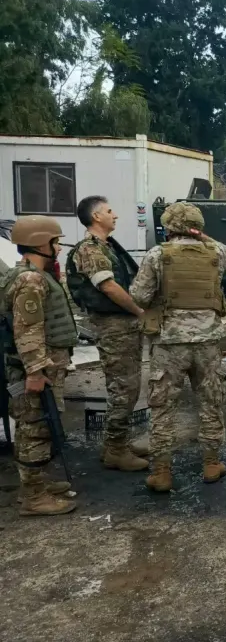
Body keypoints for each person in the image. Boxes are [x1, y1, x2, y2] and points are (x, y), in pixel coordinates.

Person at [130, 202, 226, 492]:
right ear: (199, 227)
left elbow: (139, 296)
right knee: (211, 401)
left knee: (163, 406)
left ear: (168, 228)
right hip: (208, 343)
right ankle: (212, 463)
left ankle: (162, 472)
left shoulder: (157, 254)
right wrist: (203, 238)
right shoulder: (217, 253)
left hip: (169, 344)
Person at [0, 216, 78, 515]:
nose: (59, 247)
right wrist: (34, 370)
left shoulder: (33, 275)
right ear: (41, 243)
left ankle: (37, 484)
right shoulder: (30, 280)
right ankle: (33, 497)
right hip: (35, 367)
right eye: (56, 242)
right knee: (34, 427)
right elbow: (27, 329)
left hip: (45, 363)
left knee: (41, 424)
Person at [66, 196, 148, 472]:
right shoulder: (90, 249)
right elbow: (109, 287)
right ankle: (115, 449)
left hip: (121, 325)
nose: (115, 215)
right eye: (109, 211)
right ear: (96, 217)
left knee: (129, 386)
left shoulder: (106, 247)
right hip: (114, 326)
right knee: (123, 388)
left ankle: (119, 442)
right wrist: (139, 310)